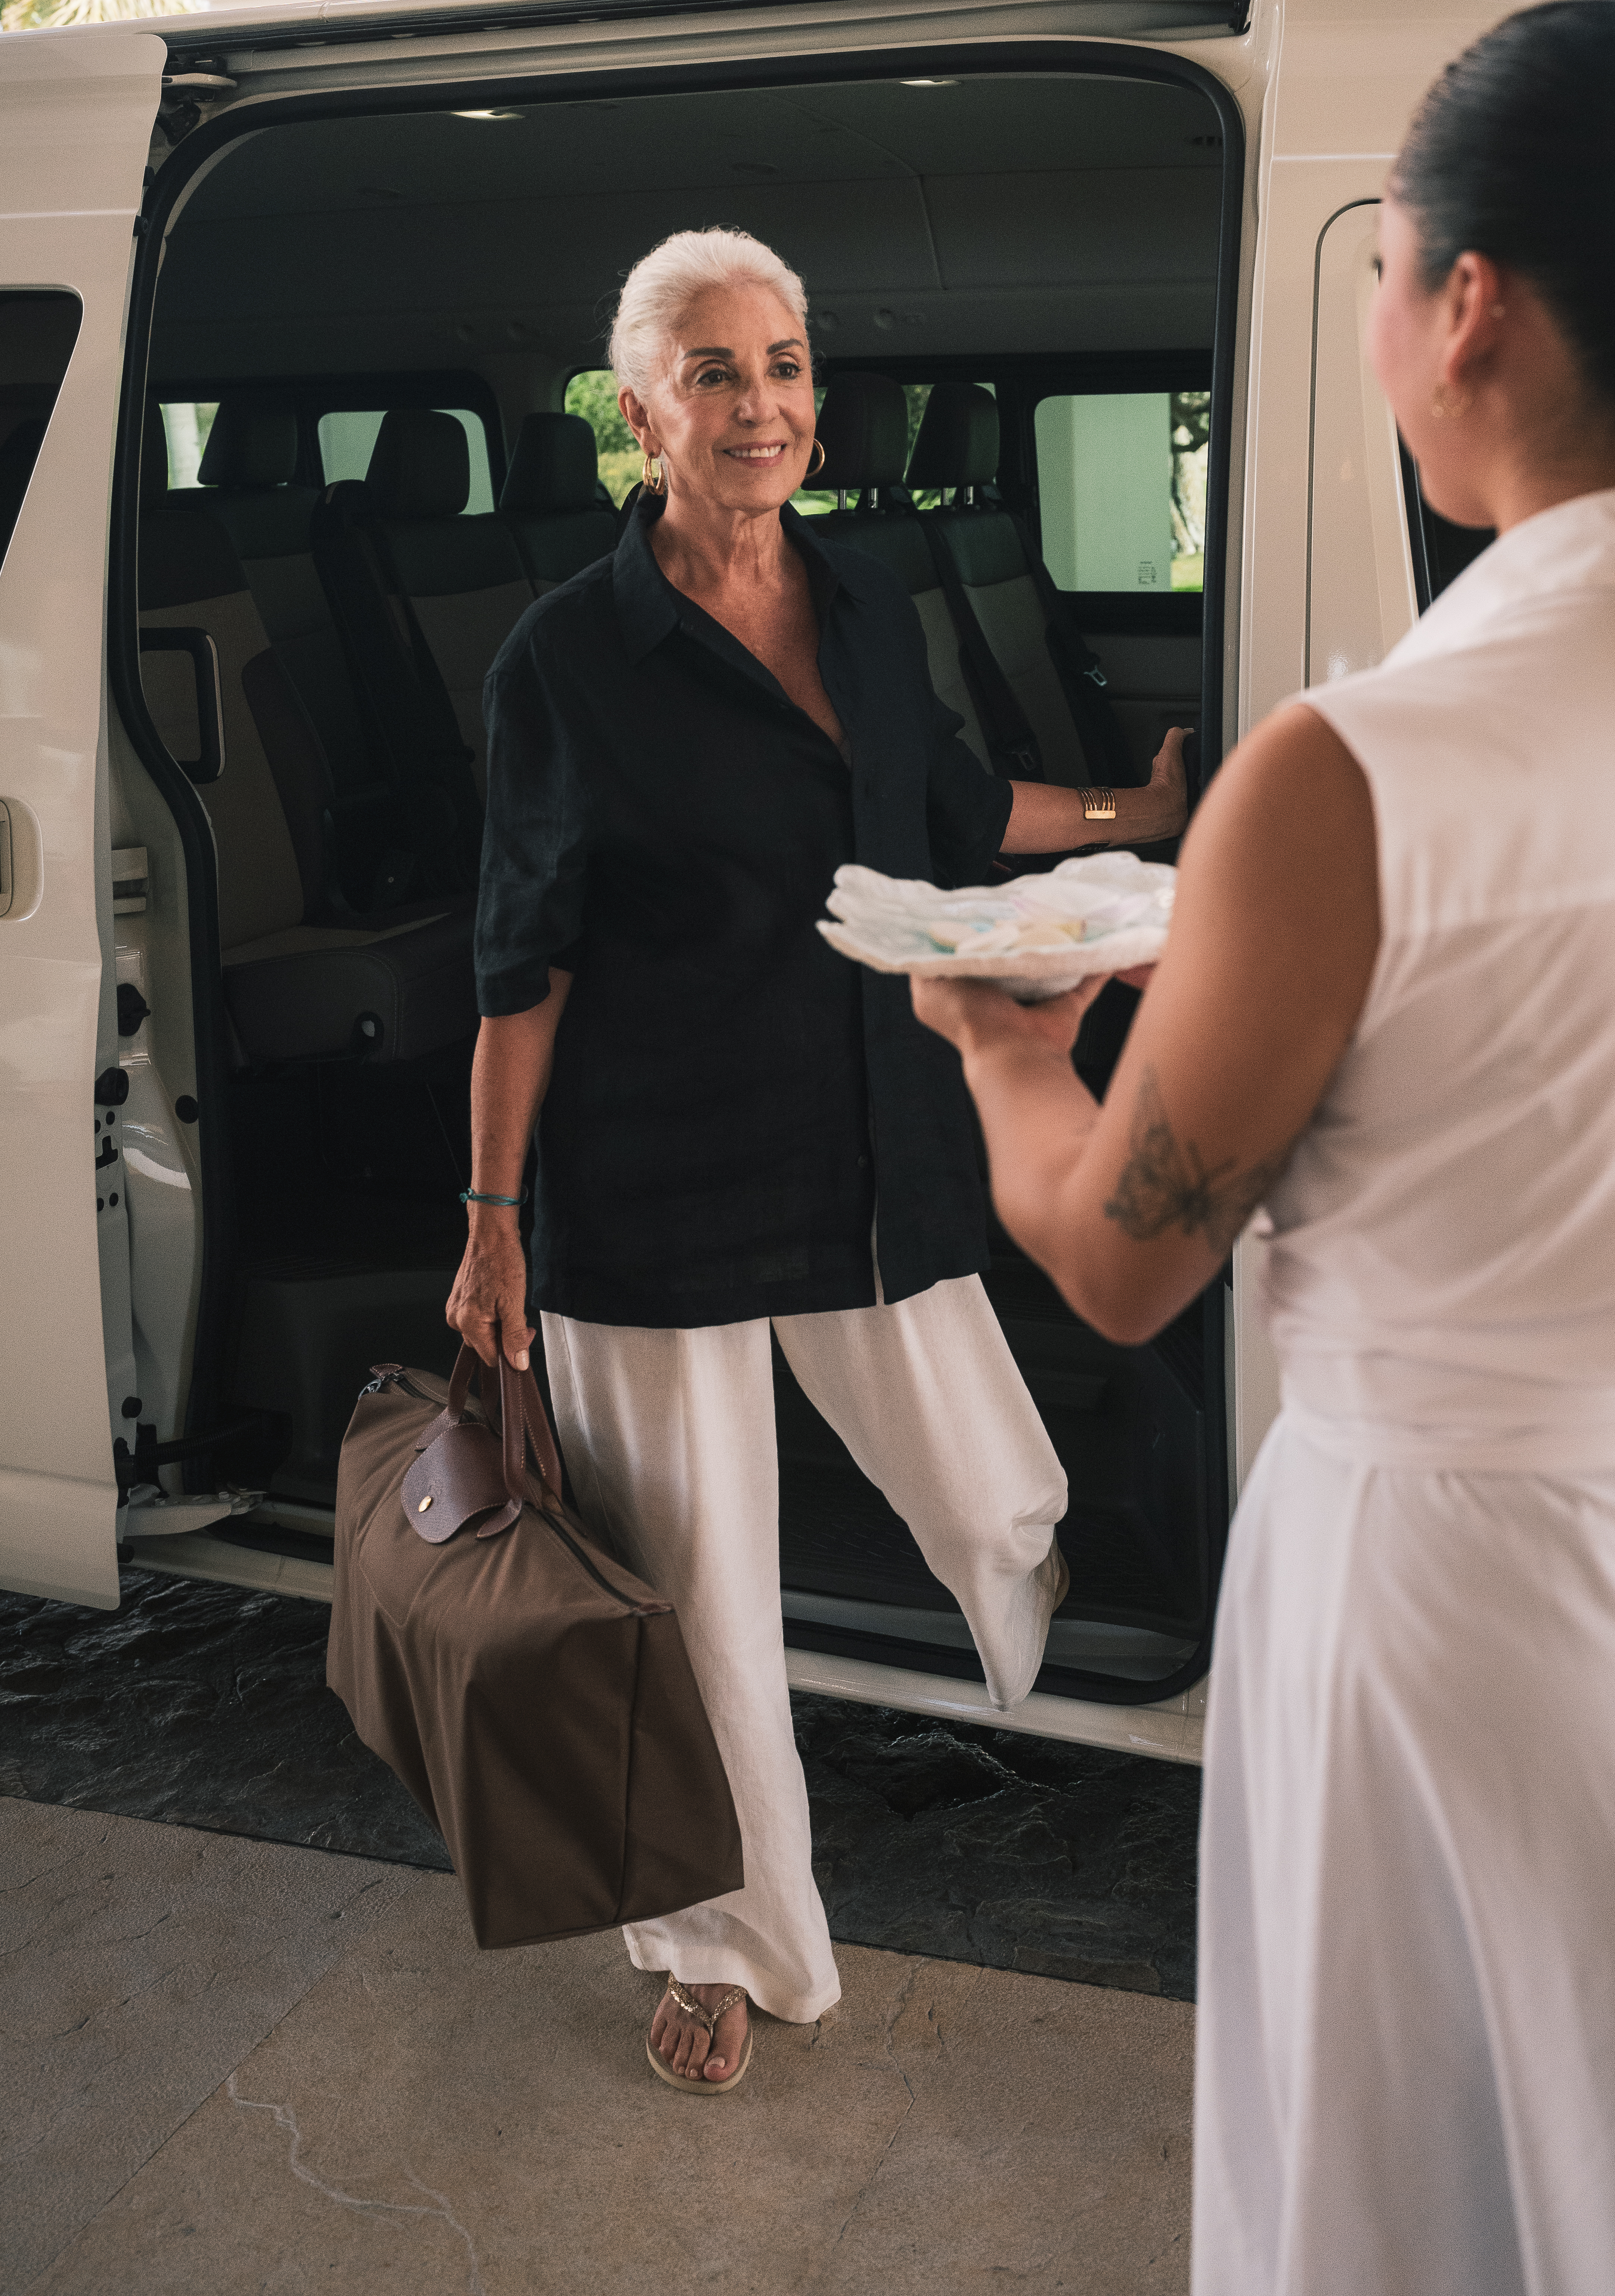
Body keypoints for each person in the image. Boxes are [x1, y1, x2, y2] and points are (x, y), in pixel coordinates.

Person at [914, 0, 1615, 2288]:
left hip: (1506, 1623)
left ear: (1468, 306)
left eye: (1388, 263)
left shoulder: (1359, 774)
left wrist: (1008, 1056)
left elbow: (1121, 1259)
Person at [447, 223, 1187, 2093]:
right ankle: (720, 1947)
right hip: (649, 1178)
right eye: (714, 372)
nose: (761, 404)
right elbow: (520, 963)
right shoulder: (565, 658)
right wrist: (493, 1221)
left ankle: (1015, 1627)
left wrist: (1145, 812)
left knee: (997, 1493)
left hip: (867, 1135)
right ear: (641, 416)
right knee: (700, 1597)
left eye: (782, 365)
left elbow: (955, 807)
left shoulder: (860, 593)